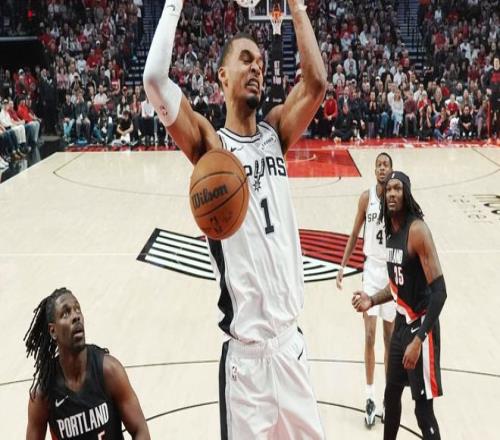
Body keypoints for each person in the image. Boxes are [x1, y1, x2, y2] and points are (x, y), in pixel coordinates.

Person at [143, 0, 327, 438]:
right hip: (246, 367)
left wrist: (296, 5)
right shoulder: (211, 147)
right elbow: (154, 80)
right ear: (222, 76)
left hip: (291, 348)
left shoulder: (276, 131)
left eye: (260, 61)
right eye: (246, 59)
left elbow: (316, 83)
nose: (256, 66)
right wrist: (175, 4)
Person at [352, 171, 447, 440]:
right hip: (402, 325)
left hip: (421, 328)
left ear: (406, 194)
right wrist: (372, 299)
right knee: (391, 396)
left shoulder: (417, 231)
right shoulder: (390, 233)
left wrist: (418, 340)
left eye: (397, 188)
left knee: (422, 411)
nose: (392, 193)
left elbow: (440, 293)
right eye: (389, 190)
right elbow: (396, 286)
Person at [24, 288, 150, 439]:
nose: (75, 316)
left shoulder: (109, 371)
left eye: (77, 309)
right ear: (53, 331)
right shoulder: (43, 394)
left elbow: (140, 430)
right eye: (66, 313)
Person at [337, 152, 395, 427]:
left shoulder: (397, 199)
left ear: (391, 170)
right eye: (378, 165)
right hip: (371, 271)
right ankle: (370, 396)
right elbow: (353, 233)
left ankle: (388, 397)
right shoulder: (366, 198)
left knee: (389, 339)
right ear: (374, 170)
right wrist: (342, 265)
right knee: (369, 336)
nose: (382, 168)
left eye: (386, 164)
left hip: (391, 272)